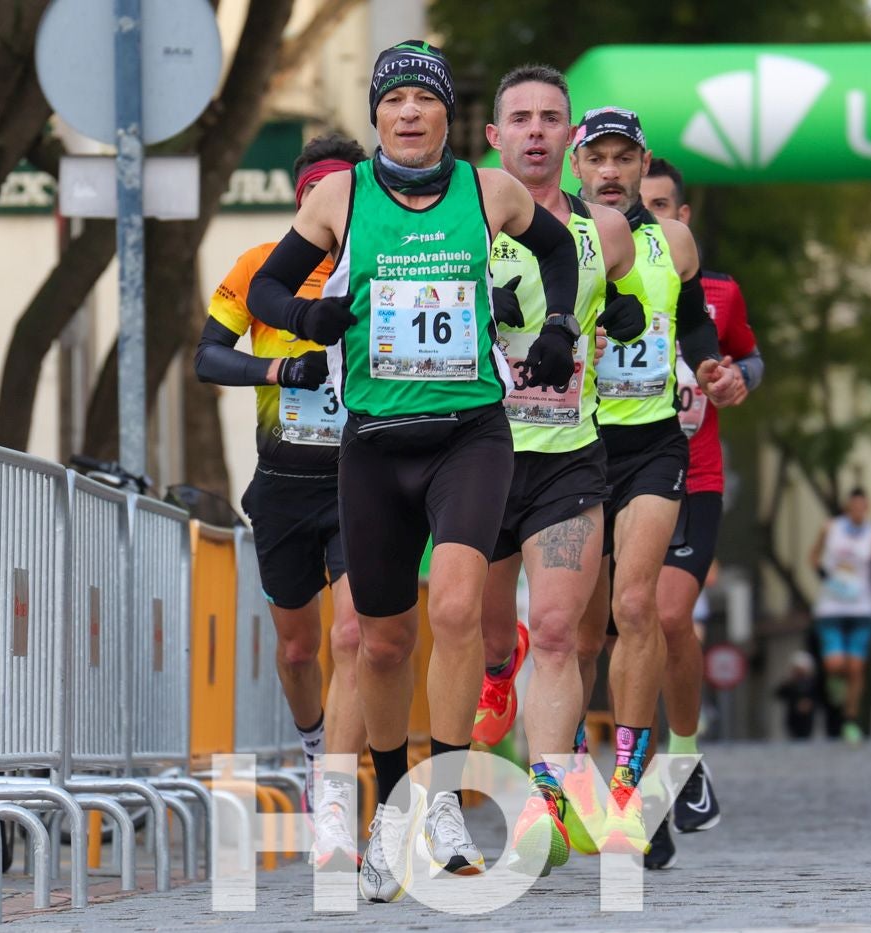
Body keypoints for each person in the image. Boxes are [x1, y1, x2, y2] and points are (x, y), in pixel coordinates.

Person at [247, 40, 580, 904]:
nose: (407, 114)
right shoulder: (340, 196)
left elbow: (561, 254)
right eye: (391, 101)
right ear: (376, 117)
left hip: (469, 433)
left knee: (461, 606)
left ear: (444, 114)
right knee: (384, 641)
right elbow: (266, 294)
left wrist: (561, 331)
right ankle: (391, 810)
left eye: (421, 101)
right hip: (373, 444)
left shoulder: (487, 190)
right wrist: (311, 314)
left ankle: (441, 799)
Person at [472, 64, 651, 876]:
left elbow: (624, 303)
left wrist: (621, 316)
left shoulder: (603, 232)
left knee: (555, 631)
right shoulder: (459, 221)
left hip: (567, 458)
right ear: (494, 137)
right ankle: (494, 676)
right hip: (472, 455)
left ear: (569, 137)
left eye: (551, 118)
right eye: (522, 118)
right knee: (481, 636)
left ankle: (539, 808)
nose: (536, 130)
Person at [194, 133, 368, 870]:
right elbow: (207, 354)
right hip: (284, 487)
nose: (323, 206)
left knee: (353, 637)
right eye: (311, 193)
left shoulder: (382, 266)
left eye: (338, 192)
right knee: (299, 648)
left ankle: (337, 791)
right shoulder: (261, 267)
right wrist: (278, 368)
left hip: (363, 480)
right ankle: (312, 748)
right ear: (301, 199)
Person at [566, 106, 735, 856]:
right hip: (570, 449)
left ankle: (632, 794)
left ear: (642, 168)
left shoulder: (673, 240)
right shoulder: (551, 241)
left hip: (652, 446)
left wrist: (707, 363)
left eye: (622, 158)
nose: (609, 170)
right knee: (572, 633)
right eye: (596, 158)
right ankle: (569, 786)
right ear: (577, 167)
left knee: (637, 606)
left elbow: (694, 319)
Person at [641, 157, 764, 865]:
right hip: (613, 476)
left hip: (696, 475)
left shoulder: (717, 292)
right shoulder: (594, 274)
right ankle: (640, 790)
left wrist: (737, 378)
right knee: (618, 633)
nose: (651, 216)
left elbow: (749, 358)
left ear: (682, 218)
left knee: (665, 617)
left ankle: (683, 761)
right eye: (640, 203)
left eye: (663, 205)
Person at [808, 488, 871, 745]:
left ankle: (850, 719)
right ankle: (834, 685)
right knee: (835, 665)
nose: (858, 510)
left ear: (868, 507)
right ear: (847, 507)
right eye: (854, 505)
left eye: (862, 506)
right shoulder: (831, 528)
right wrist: (826, 578)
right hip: (831, 606)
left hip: (862, 607)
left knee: (856, 667)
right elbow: (813, 557)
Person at [774, 651, 818, 740]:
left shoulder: (813, 683)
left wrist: (809, 704)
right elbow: (778, 694)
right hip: (792, 720)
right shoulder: (790, 683)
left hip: (807, 721)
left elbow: (817, 698)